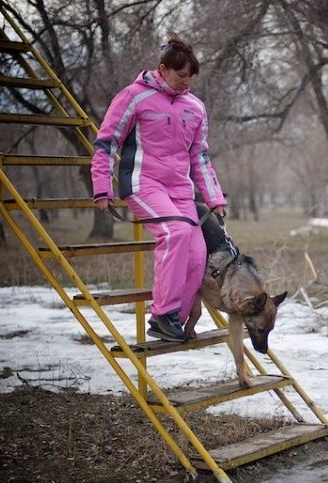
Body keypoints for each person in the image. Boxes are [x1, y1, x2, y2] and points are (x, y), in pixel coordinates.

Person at [91, 34, 227, 342]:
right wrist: (102, 186)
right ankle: (162, 313)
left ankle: (172, 324)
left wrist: (214, 198)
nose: (186, 83)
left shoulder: (195, 107)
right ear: (162, 69)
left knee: (196, 255)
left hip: (180, 190)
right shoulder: (133, 96)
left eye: (190, 77)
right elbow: (106, 142)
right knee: (175, 233)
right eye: (181, 76)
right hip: (143, 183)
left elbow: (200, 156)